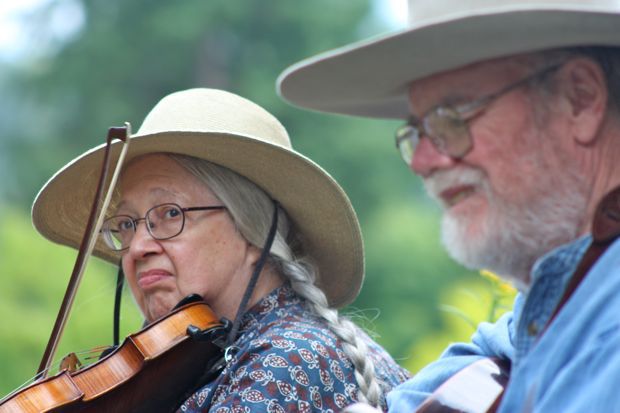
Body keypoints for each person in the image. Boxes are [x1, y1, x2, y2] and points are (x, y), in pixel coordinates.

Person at [277, 0, 620, 411]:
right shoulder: (560, 297)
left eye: (452, 117)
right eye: (418, 129)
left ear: (579, 99)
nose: (422, 162)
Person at [31, 88, 410, 412]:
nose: (138, 247)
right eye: (127, 224)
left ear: (252, 232)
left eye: (170, 214)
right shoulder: (219, 358)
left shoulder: (283, 361)